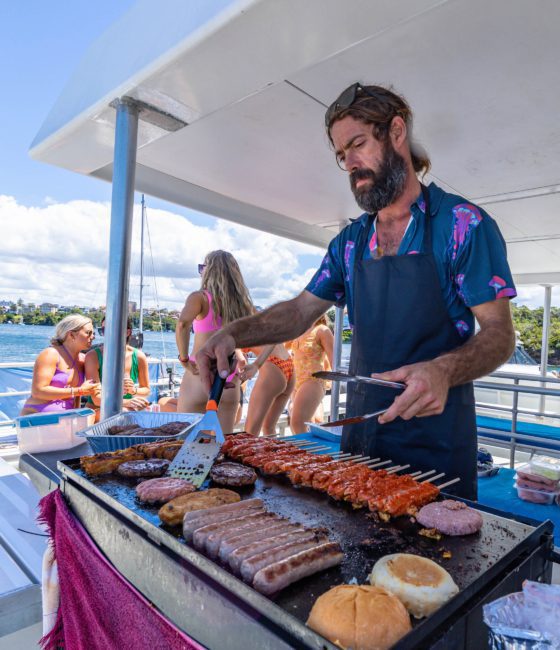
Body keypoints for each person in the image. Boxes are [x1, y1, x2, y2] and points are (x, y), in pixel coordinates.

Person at [197, 83, 516, 499]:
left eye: (358, 144)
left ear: (396, 132)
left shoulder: (462, 225)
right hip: (361, 445)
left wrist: (442, 371)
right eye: (340, 154)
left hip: (437, 451)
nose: (349, 162)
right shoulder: (350, 241)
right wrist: (231, 334)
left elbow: (500, 334)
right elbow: (299, 312)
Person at [175, 250, 249, 432]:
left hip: (200, 373)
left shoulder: (199, 298)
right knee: (221, 445)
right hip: (229, 378)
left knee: (186, 443)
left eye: (202, 268)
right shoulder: (242, 304)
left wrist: (184, 359)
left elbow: (183, 324)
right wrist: (256, 365)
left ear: (209, 271)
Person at [20, 315, 100, 415]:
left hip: (65, 419)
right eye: (88, 333)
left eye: (93, 333)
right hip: (36, 418)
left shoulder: (83, 359)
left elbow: (77, 398)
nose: (93, 337)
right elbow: (38, 392)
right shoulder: (51, 354)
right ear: (71, 335)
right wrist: (79, 390)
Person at [84, 317, 151, 418]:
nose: (107, 334)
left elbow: (146, 390)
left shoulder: (139, 356)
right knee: (123, 414)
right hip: (98, 410)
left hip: (126, 409)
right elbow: (97, 399)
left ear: (127, 332)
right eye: (103, 330)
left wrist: (133, 390)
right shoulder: (93, 356)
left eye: (111, 329)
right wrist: (127, 402)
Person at [289, 315, 334, 434]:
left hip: (313, 379)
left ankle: (304, 452)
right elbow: (279, 345)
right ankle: (307, 451)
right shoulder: (298, 331)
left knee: (297, 422)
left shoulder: (322, 330)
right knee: (305, 423)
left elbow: (335, 361)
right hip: (296, 382)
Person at [239, 343, 295, 436]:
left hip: (271, 365)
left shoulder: (237, 331)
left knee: (251, 431)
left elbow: (241, 361)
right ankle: (274, 451)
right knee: (269, 427)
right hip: (288, 362)